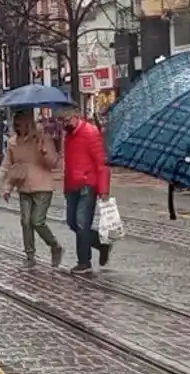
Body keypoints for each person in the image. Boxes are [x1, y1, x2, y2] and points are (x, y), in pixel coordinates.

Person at [1, 110, 64, 269]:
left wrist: (44, 151)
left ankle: (54, 246)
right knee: (25, 221)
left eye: (20, 123)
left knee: (37, 221)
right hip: (23, 186)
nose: (17, 126)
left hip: (42, 186)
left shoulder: (42, 139)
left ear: (28, 123)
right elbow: (10, 165)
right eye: (15, 124)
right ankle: (29, 255)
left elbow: (53, 163)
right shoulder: (13, 142)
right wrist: (7, 187)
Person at [59, 107, 112, 274]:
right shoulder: (68, 135)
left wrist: (103, 189)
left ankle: (84, 262)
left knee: (82, 223)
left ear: (76, 117)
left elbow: (101, 163)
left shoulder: (90, 133)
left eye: (67, 120)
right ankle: (101, 244)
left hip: (87, 184)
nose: (65, 124)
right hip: (72, 185)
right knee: (72, 222)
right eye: (62, 121)